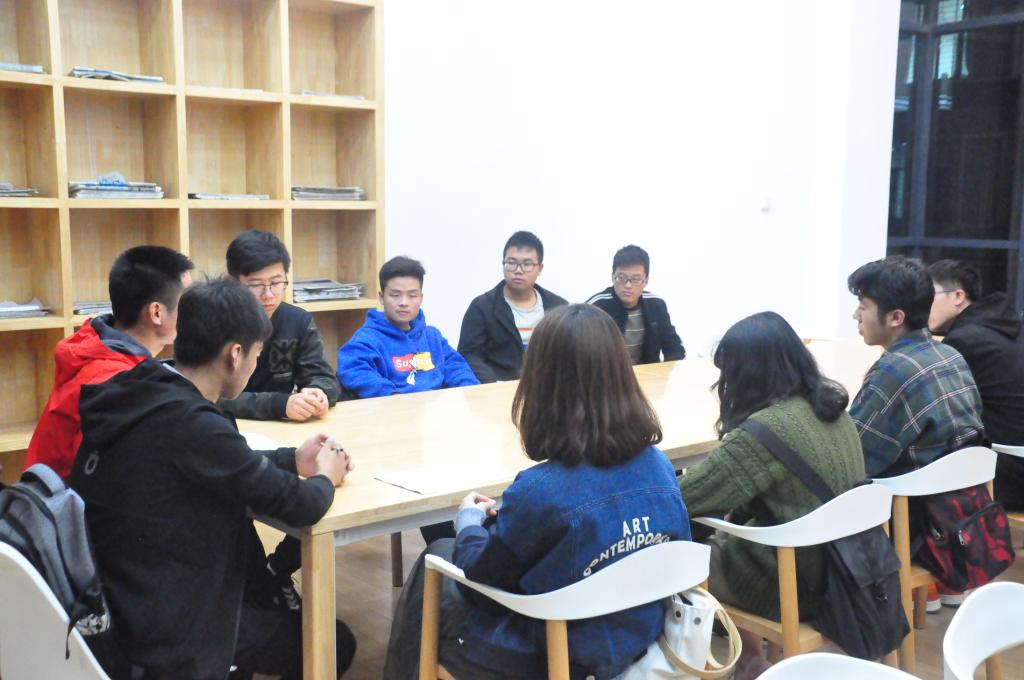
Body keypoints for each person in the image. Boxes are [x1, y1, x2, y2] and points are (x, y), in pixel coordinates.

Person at [383, 304, 690, 680]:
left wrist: (469, 524)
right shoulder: (660, 467)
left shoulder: (540, 490)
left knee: (439, 554)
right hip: (636, 638)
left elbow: (483, 585)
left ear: (542, 384)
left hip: (554, 653)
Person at [70, 278, 357, 680]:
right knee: (335, 641)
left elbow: (217, 461)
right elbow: (301, 504)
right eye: (257, 355)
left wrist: (292, 459)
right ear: (236, 354)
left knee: (262, 594)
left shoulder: (146, 388)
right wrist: (326, 475)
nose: (255, 365)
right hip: (171, 629)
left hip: (122, 599)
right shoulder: (194, 423)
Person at [679, 311, 865, 680]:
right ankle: (750, 661)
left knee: (680, 553)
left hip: (795, 585)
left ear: (745, 376)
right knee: (736, 527)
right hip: (850, 575)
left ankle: (729, 663)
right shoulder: (833, 411)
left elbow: (684, 499)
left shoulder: (762, 433)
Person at [25, 245, 194, 479]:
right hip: (70, 500)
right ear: (156, 312)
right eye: (188, 302)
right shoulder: (115, 382)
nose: (196, 310)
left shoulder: (99, 347)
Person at [847, 256, 984, 479]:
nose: (855, 316)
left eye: (862, 307)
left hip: (913, 496)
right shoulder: (950, 355)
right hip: (962, 488)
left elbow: (853, 457)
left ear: (896, 317)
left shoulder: (894, 370)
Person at [928, 259, 1024, 509]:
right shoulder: (1005, 327)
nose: (921, 305)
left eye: (929, 296)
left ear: (958, 296)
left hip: (1008, 475)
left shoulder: (964, 341)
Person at [218, 229, 341, 421]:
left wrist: (318, 392)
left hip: (282, 425)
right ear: (233, 282)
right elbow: (207, 396)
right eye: (255, 285)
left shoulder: (298, 321)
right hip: (224, 423)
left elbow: (323, 377)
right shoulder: (214, 322)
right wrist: (279, 404)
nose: (268, 295)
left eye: (276, 283)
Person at [338, 255, 478, 397]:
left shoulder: (432, 337)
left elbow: (458, 369)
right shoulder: (366, 340)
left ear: (421, 298)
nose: (404, 302)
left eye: (412, 295)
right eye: (395, 295)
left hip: (436, 407)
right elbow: (356, 372)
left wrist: (472, 393)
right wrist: (392, 396)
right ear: (381, 297)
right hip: (393, 407)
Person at [458, 231, 568, 382]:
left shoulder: (558, 308)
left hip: (548, 388)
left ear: (540, 269)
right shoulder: (482, 308)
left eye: (527, 264)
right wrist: (493, 384)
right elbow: (468, 355)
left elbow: (569, 354)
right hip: (499, 388)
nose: (518, 270)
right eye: (511, 263)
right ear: (503, 265)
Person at [586, 244, 685, 364]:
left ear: (646, 281)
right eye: (621, 278)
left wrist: (664, 373)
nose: (628, 285)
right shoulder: (595, 307)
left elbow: (674, 348)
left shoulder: (656, 305)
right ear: (612, 278)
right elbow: (580, 351)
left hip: (648, 373)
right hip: (609, 374)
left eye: (636, 279)